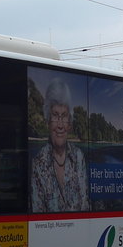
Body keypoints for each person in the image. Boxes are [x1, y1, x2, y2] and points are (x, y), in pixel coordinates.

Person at [30, 78, 91, 212]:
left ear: (69, 122)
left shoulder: (78, 157)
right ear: (48, 120)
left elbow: (85, 205)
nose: (60, 125)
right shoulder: (38, 164)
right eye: (55, 115)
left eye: (64, 116)